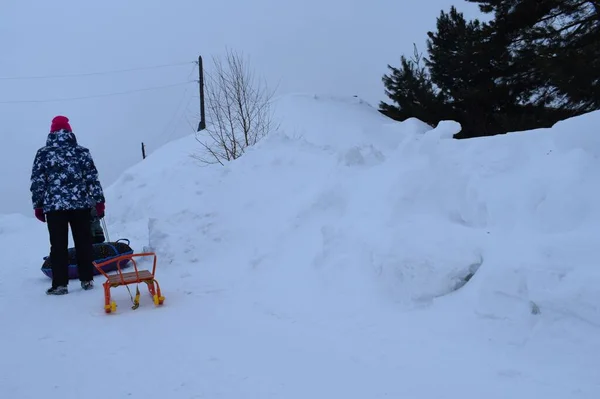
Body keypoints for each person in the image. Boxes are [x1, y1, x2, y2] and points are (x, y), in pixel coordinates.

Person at [30, 115, 106, 295]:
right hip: (80, 205)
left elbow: (38, 182)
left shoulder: (43, 153)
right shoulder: (81, 152)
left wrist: (38, 206)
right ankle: (87, 280)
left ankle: (60, 285)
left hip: (55, 208)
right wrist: (99, 202)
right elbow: (92, 179)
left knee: (58, 246)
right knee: (84, 243)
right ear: (70, 131)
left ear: (52, 132)